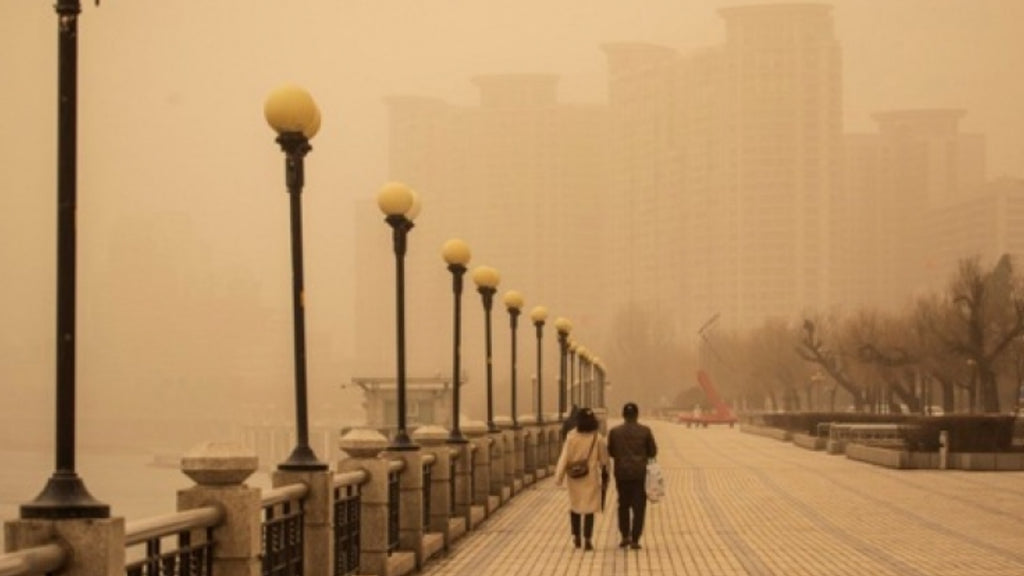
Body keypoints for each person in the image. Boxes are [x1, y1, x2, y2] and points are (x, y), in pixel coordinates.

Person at [555, 407, 609, 551]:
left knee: (575, 506)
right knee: (589, 508)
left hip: (574, 477)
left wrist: (558, 477)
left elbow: (564, 457)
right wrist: (606, 473)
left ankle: (576, 536)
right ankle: (587, 539)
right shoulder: (597, 438)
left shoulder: (571, 437)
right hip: (590, 477)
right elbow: (604, 460)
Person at [607, 401, 658, 550]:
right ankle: (635, 538)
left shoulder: (615, 432)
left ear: (623, 415)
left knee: (623, 505)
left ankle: (624, 536)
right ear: (637, 415)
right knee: (639, 507)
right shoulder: (645, 431)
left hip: (622, 474)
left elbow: (611, 452)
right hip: (640, 474)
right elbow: (653, 452)